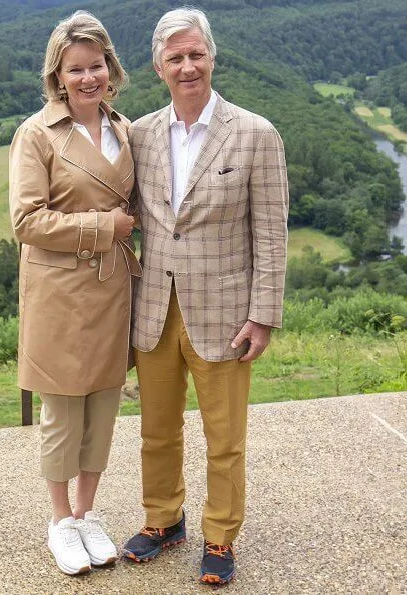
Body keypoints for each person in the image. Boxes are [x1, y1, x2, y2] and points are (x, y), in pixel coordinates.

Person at [123, 7, 289, 585]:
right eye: (176, 58)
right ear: (158, 67)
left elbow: (271, 232)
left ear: (212, 57)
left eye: (196, 54)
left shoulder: (255, 134)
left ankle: (220, 535)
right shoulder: (138, 134)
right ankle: (163, 520)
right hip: (153, 310)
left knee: (225, 438)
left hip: (225, 314)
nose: (187, 66)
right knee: (156, 430)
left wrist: (263, 316)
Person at [8, 10, 140, 577]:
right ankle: (60, 522)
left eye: (97, 65)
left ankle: (87, 514)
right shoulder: (36, 134)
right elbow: (26, 221)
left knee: (103, 406)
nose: (88, 77)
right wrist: (103, 227)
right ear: (57, 76)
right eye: (75, 69)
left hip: (112, 289)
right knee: (62, 410)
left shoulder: (126, 129)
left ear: (111, 68)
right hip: (60, 291)